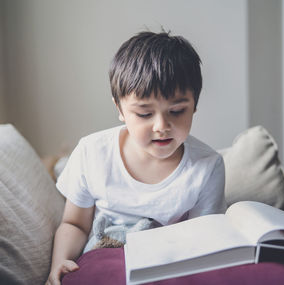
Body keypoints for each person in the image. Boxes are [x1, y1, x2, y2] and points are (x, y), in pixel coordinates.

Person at [46, 31, 226, 285]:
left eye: (177, 111)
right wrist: (59, 263)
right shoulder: (92, 152)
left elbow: (201, 240)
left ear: (194, 105)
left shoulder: (208, 166)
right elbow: (74, 224)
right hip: (105, 255)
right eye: (144, 114)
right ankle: (60, 165)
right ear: (120, 109)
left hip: (167, 263)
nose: (162, 126)